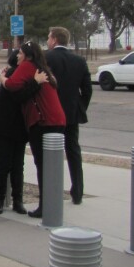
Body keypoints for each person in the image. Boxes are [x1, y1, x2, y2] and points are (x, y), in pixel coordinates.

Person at [1, 41, 66, 219]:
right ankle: (53, 203)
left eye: (20, 53)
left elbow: (13, 85)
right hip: (57, 119)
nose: (18, 56)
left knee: (43, 164)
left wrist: (3, 80)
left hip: (42, 121)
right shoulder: (43, 67)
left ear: (28, 55)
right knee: (52, 165)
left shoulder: (28, 66)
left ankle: (46, 206)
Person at [0, 50, 45, 215]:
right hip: (3, 125)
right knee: (7, 164)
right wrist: (35, 82)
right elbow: (19, 96)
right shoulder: (13, 75)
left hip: (16, 127)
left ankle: (10, 201)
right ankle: (6, 201)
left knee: (15, 165)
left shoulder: (13, 74)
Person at [45, 27, 93, 205]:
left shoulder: (46, 59)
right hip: (72, 114)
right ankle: (78, 192)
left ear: (55, 39)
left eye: (49, 38)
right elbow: (87, 89)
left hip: (50, 114)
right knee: (73, 152)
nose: (48, 41)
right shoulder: (79, 61)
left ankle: (51, 192)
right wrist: (79, 107)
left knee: (50, 154)